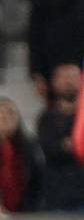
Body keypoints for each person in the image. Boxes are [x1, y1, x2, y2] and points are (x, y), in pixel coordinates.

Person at [36, 63, 84, 211]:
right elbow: (51, 150)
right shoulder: (46, 119)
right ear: (55, 82)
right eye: (64, 77)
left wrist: (68, 145)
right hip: (57, 195)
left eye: (72, 77)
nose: (68, 82)